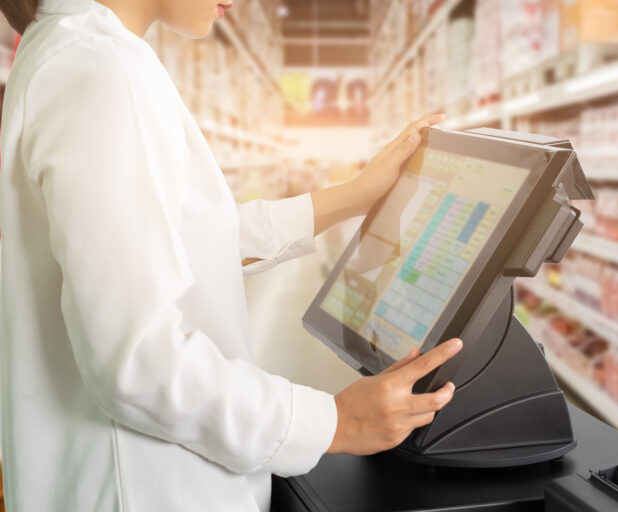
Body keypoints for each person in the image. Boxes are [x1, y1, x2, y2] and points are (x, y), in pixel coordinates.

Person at [0, 1, 462, 510]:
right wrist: (336, 422)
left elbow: (169, 239)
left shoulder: (75, 50)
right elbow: (137, 360)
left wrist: (351, 197)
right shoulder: (103, 69)